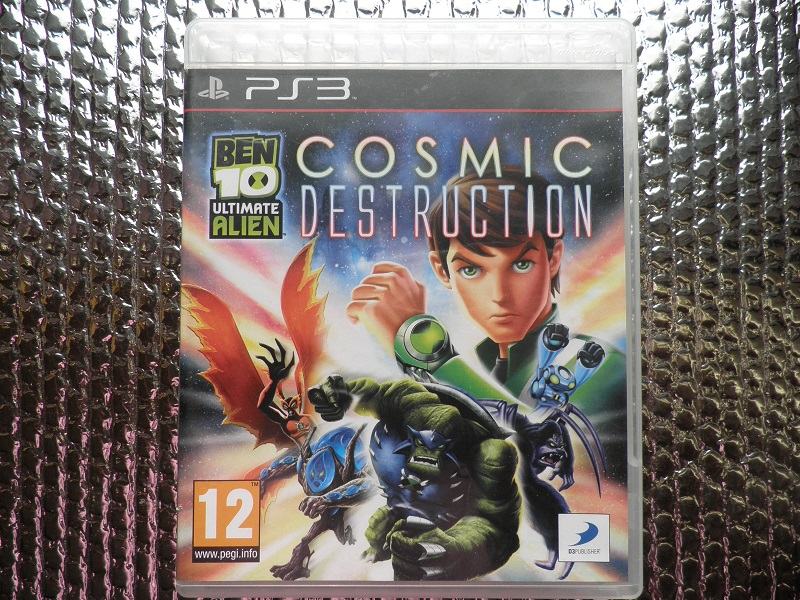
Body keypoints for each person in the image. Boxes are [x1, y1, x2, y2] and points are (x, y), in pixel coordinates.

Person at [346, 169, 627, 480]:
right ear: (442, 271)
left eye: (521, 264)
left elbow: (538, 457)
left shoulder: (599, 367)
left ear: (553, 258)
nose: (500, 295)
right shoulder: (472, 364)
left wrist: (424, 346)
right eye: (471, 270)